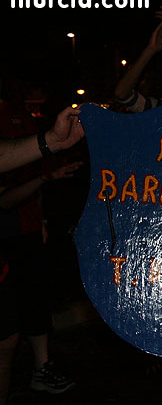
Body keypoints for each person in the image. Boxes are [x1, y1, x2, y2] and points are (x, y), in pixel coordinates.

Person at [0, 105, 84, 405]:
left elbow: (7, 198)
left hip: (20, 236)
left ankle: (40, 369)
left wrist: (53, 146)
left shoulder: (17, 115)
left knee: (8, 339)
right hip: (10, 236)